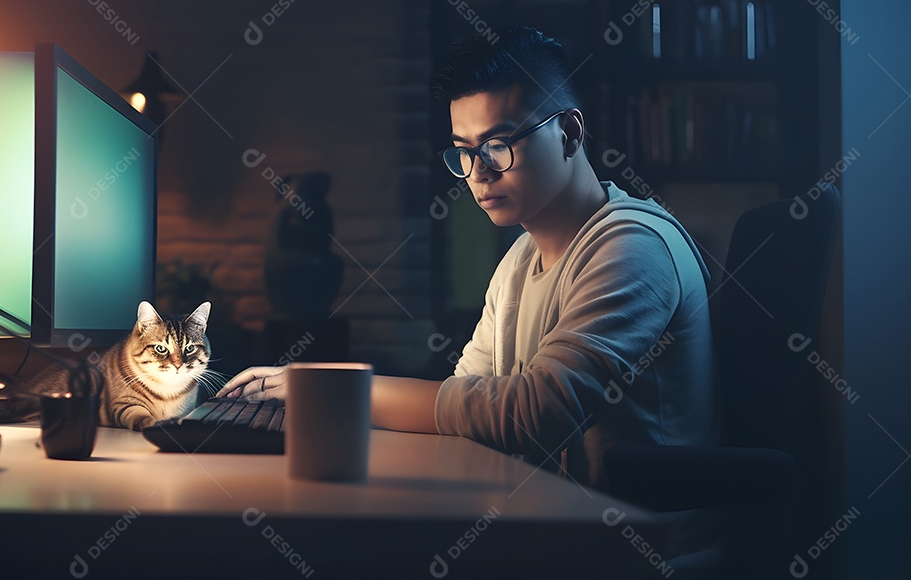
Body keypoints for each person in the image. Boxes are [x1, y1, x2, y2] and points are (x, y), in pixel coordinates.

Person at [219, 26, 717, 492]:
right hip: (550, 520)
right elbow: (467, 398)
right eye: (464, 150)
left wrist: (336, 389)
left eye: (498, 146)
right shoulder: (520, 259)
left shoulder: (633, 246)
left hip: (638, 549)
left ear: (569, 133)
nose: (478, 173)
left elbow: (533, 413)